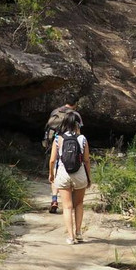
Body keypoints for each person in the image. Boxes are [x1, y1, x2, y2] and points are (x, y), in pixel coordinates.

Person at [48, 111, 91, 244]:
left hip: (63, 173)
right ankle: (79, 233)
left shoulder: (58, 138)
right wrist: (89, 177)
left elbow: (52, 160)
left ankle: (70, 237)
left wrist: (51, 174)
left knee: (67, 206)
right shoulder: (82, 138)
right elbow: (86, 160)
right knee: (78, 204)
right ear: (78, 124)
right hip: (79, 174)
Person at [43, 98, 82, 213]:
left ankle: (54, 199)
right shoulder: (76, 114)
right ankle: (70, 201)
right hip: (70, 146)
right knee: (69, 170)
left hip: (55, 142)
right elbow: (78, 132)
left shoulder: (55, 112)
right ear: (76, 104)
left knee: (55, 169)